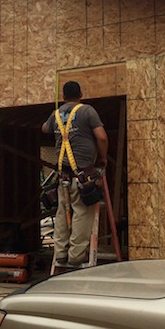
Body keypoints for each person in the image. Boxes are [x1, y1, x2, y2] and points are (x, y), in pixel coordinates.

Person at [42, 81, 108, 267]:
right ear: (80, 94)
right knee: (81, 212)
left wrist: (57, 122)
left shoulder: (55, 114)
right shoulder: (87, 111)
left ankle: (60, 254)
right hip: (83, 175)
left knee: (63, 213)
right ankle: (76, 256)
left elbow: (45, 128)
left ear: (63, 97)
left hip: (63, 175)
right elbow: (102, 137)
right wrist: (102, 158)